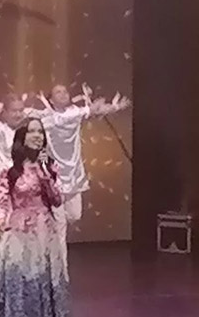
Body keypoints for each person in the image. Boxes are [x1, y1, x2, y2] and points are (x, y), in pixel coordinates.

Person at [0, 117, 78, 317]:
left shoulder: (49, 166)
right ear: (22, 137)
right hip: (20, 237)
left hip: (45, 235)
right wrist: (5, 225)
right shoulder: (8, 167)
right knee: (22, 296)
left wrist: (44, 172)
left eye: (41, 132)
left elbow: (56, 199)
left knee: (50, 295)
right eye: (32, 132)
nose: (38, 136)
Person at [25, 84, 131, 228]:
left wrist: (115, 107)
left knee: (74, 215)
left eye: (65, 91)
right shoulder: (48, 117)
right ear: (51, 100)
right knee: (59, 222)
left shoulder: (75, 111)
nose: (63, 94)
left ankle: (51, 226)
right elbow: (32, 117)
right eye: (58, 92)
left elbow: (95, 111)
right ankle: (50, 233)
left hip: (73, 173)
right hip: (54, 175)